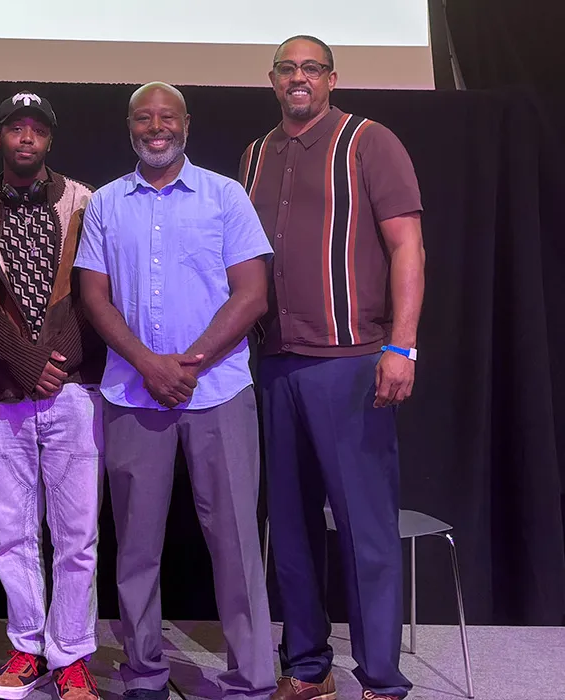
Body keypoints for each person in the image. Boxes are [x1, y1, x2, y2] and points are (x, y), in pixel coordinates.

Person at [75, 82, 276, 700]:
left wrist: (187, 363)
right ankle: (144, 675)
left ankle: (251, 679)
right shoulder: (108, 203)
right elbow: (93, 297)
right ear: (129, 126)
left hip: (218, 390)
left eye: (166, 116)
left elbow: (252, 294)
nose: (155, 127)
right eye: (143, 117)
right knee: (135, 546)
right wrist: (147, 364)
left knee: (238, 544)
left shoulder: (226, 195)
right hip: (134, 396)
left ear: (186, 123)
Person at [239, 35, 426, 700]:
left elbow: (408, 247)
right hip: (278, 365)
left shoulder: (369, 142)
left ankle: (380, 678)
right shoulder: (256, 155)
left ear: (331, 78)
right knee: (288, 528)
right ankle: (309, 668)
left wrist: (400, 346)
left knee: (364, 530)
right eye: (287, 69)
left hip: (350, 365)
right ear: (272, 80)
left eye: (310, 69)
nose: (298, 79)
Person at [0, 92, 105, 700]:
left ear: (49, 140)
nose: (26, 139)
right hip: (5, 393)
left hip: (73, 391)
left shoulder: (85, 200)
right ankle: (27, 647)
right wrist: (24, 361)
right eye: (15, 129)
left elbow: (97, 293)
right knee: (12, 532)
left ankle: (72, 655)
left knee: (76, 533)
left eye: (37, 130)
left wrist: (58, 360)